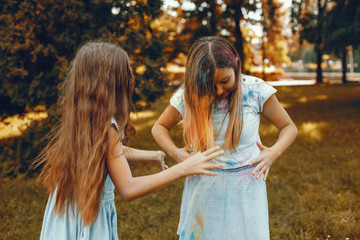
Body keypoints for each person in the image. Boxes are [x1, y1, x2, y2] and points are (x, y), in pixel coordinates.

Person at [32, 41, 225, 240]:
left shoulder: (81, 117)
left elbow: (110, 151)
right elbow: (128, 188)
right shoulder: (108, 129)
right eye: (126, 71)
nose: (131, 77)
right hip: (88, 221)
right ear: (110, 81)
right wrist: (184, 168)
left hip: (64, 214)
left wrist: (154, 154)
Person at [151, 36, 298, 239]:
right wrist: (177, 154)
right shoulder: (190, 94)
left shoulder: (255, 91)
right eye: (210, 85)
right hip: (204, 188)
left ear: (236, 66)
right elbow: (159, 127)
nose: (219, 90)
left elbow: (289, 127)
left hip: (246, 189)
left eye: (225, 81)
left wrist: (273, 152)